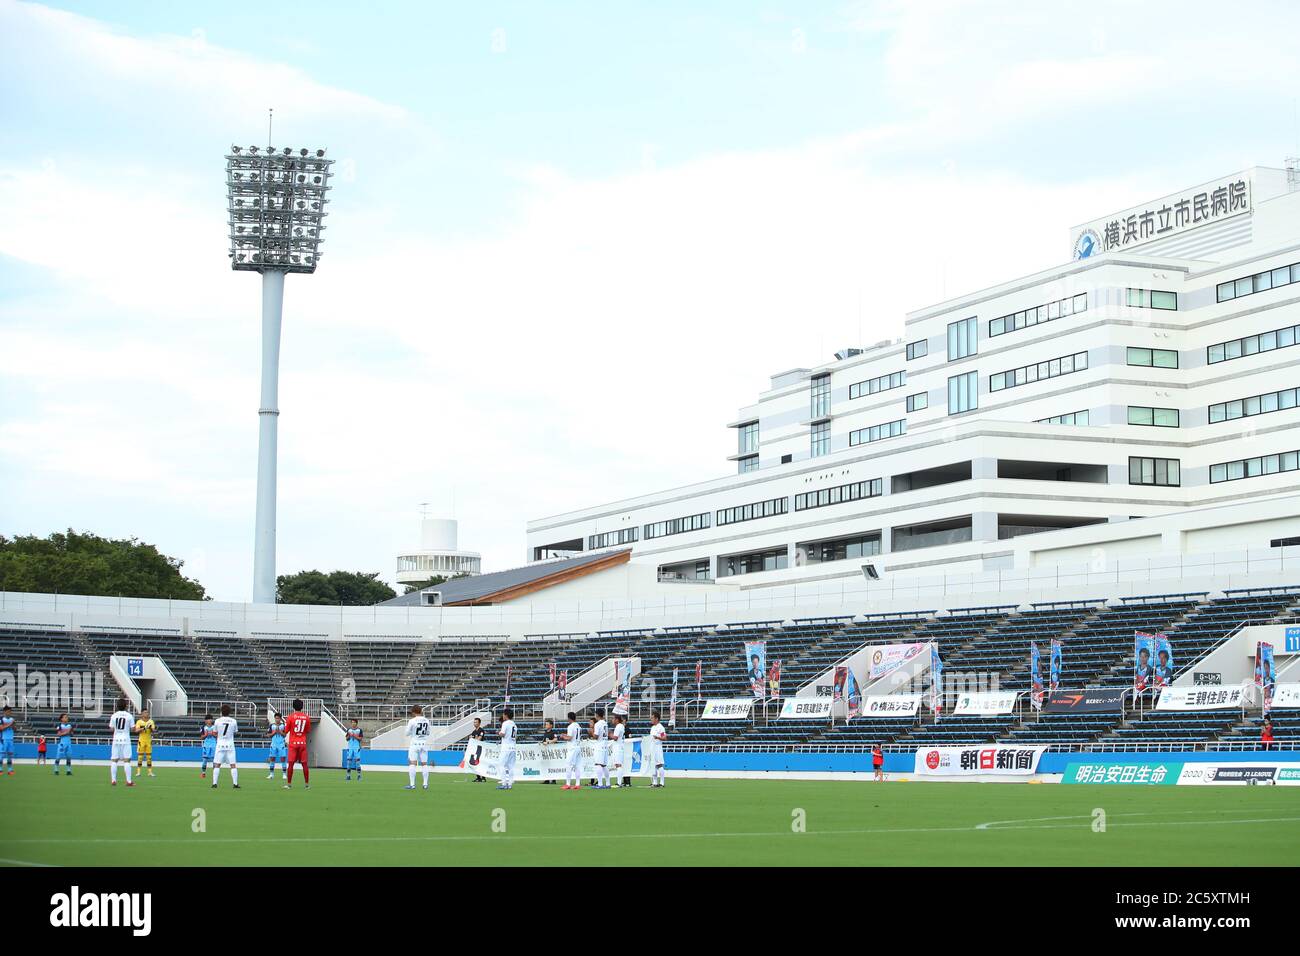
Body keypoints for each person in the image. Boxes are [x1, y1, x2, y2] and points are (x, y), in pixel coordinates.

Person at [283, 698, 312, 790]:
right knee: (304, 764)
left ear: (293, 706)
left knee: (291, 764)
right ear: (302, 707)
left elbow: (286, 731)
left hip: (293, 743)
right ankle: (307, 784)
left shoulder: (290, 717)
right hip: (302, 743)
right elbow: (308, 730)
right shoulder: (306, 717)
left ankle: (289, 784)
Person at [211, 703, 240, 789]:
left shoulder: (217, 721)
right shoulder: (233, 721)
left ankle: (214, 783)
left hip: (220, 745)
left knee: (217, 765)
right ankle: (235, 784)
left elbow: (215, 733)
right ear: (229, 712)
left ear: (221, 711)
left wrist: (219, 736)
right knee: (233, 765)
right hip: (230, 745)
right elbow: (235, 731)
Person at [108, 698, 135, 787]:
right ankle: (129, 781)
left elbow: (111, 728)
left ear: (117, 706)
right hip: (125, 739)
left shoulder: (114, 716)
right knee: (127, 760)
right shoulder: (129, 716)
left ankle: (113, 780)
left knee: (114, 760)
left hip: (116, 739)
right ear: (126, 706)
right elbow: (132, 729)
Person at [405, 704, 431, 791]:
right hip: (424, 744)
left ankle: (412, 784)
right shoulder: (427, 720)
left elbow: (407, 733)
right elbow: (428, 732)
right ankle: (425, 784)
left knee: (412, 764)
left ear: (413, 712)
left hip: (414, 743)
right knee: (424, 764)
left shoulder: (412, 721)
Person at [559, 711, 583, 790]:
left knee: (568, 765)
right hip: (578, 746)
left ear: (569, 718)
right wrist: (565, 735)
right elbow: (573, 736)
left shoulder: (570, 726)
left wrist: (563, 737)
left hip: (572, 748)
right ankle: (577, 784)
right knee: (577, 766)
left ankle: (568, 784)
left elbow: (569, 738)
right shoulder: (578, 725)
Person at [497, 709, 518, 791]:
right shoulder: (514, 725)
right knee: (511, 767)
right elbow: (515, 737)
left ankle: (504, 783)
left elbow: (502, 734)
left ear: (506, 715)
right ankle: (510, 784)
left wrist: (498, 733)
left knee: (501, 765)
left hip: (506, 747)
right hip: (513, 747)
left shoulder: (505, 723)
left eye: (503, 714)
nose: (503, 716)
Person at [647, 711, 668, 788]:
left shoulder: (660, 727)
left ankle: (662, 783)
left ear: (657, 718)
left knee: (659, 764)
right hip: (652, 748)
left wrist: (657, 737)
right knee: (653, 765)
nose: (651, 719)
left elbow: (664, 738)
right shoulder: (652, 728)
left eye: (652, 718)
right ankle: (655, 782)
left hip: (657, 747)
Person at [134, 708, 156, 778]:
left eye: (147, 712)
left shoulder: (151, 721)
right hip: (141, 741)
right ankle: (138, 772)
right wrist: (144, 728)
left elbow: (153, 730)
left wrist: (151, 728)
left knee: (149, 757)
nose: (147, 714)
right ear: (142, 714)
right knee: (140, 757)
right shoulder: (139, 722)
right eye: (145, 712)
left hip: (148, 741)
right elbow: (136, 730)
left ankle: (150, 772)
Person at [592, 708, 610, 790]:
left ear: (597, 715)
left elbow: (596, 736)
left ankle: (600, 783)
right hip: (605, 744)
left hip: (599, 745)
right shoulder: (605, 723)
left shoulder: (597, 724)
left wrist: (591, 732)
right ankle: (608, 783)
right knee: (604, 765)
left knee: (598, 764)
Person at [267, 712, 287, 780]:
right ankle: (271, 774)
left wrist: (280, 732)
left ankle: (284, 774)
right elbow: (268, 735)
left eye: (278, 718)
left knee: (283, 758)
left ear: (280, 719)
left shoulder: (283, 725)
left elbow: (285, 735)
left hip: (281, 744)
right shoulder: (271, 725)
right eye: (276, 718)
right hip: (274, 744)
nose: (277, 719)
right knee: (272, 758)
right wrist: (274, 732)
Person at [610, 713, 626, 788]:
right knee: (618, 764)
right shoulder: (621, 726)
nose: (612, 720)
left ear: (617, 720)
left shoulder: (618, 726)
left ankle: (619, 783)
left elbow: (615, 738)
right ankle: (619, 782)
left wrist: (610, 735)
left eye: (613, 719)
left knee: (618, 764)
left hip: (618, 747)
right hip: (619, 746)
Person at [468, 717, 487, 783]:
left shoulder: (481, 730)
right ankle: (478, 777)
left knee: (482, 763)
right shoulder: (474, 732)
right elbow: (471, 739)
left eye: (476, 722)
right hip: (475, 750)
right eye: (474, 722)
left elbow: (479, 739)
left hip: (481, 749)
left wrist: (473, 738)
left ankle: (483, 777)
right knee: (475, 763)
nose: (474, 723)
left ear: (479, 723)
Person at [540, 719, 558, 784]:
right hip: (545, 752)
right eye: (546, 724)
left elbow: (555, 739)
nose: (546, 725)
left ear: (551, 725)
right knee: (546, 765)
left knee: (552, 766)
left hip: (551, 752)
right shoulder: (545, 733)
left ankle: (553, 780)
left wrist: (548, 742)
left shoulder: (553, 732)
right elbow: (544, 741)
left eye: (547, 724)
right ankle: (546, 779)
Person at [199, 714, 217, 778]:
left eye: (210, 719)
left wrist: (213, 734)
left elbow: (218, 736)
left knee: (215, 760)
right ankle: (203, 773)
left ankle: (215, 774)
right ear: (205, 721)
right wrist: (206, 735)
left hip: (214, 745)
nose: (209, 721)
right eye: (208, 719)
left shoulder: (215, 727)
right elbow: (201, 738)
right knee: (204, 760)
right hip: (206, 745)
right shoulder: (203, 727)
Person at [0, 706, 15, 776]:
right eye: (8, 711)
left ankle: (10, 770)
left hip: (11, 739)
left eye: (10, 711)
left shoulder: (12, 719)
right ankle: (0, 770)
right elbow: (1, 728)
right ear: (5, 712)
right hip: (4, 739)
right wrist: (10, 724)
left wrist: (13, 726)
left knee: (10, 755)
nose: (10, 713)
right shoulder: (2, 719)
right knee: (2, 755)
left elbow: (15, 729)